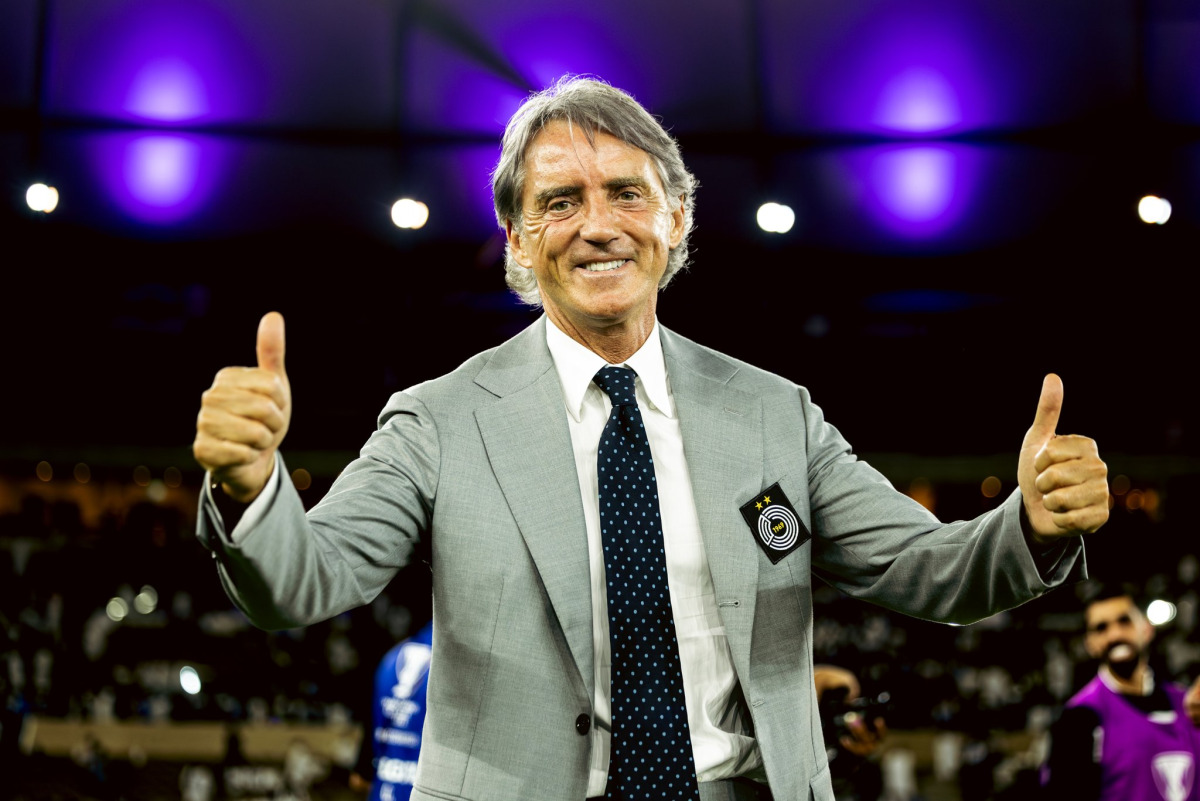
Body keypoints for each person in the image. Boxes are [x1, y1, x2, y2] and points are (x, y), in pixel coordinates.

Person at [192, 75, 1109, 801]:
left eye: (626, 192)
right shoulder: (439, 418)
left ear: (676, 222)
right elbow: (307, 579)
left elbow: (932, 568)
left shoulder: (774, 413)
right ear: (516, 238)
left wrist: (1032, 522)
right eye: (558, 202)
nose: (597, 225)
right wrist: (250, 489)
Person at [1041, 582, 1200, 800]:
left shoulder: (1189, 705)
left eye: (1124, 621)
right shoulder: (1079, 719)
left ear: (1146, 628)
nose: (1115, 634)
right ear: (1090, 643)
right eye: (1101, 628)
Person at [350, 621, 434, 801]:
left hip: (383, 790)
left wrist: (364, 769)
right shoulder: (454, 665)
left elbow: (373, 726)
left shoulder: (391, 657)